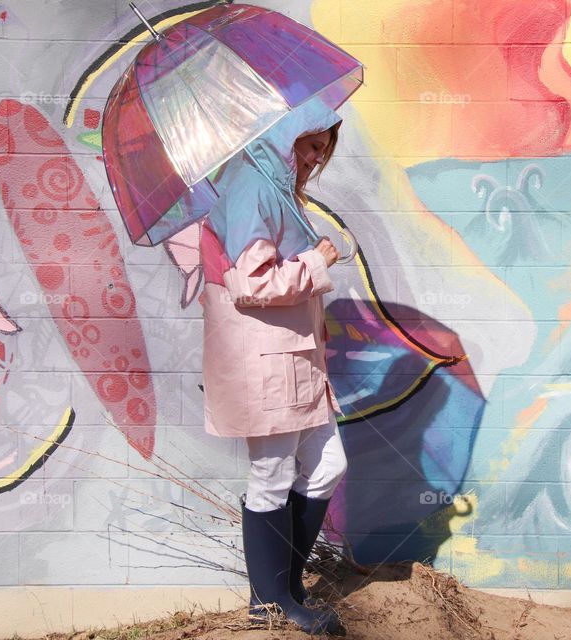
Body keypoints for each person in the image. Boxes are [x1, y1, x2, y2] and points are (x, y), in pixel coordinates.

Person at [198, 98, 346, 635]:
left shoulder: (276, 187)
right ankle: (271, 602)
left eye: (322, 150)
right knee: (273, 474)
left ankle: (287, 584)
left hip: (296, 359)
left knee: (327, 465)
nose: (313, 158)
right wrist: (318, 260)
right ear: (285, 136)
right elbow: (253, 283)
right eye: (309, 144)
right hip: (265, 360)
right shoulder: (255, 186)